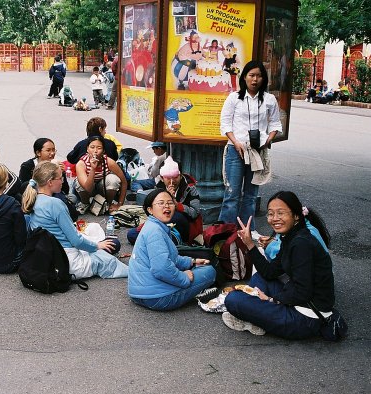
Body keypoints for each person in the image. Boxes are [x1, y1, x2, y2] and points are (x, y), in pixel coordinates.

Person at [222, 191, 335, 339]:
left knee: (233, 300)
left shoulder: (301, 244)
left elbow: (303, 292)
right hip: (300, 302)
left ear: (296, 215)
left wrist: (272, 300)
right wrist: (249, 244)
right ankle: (257, 316)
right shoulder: (292, 236)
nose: (274, 218)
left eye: (281, 213)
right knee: (260, 277)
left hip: (306, 318)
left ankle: (256, 316)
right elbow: (270, 272)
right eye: (270, 214)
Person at [23, 162, 128, 279]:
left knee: (102, 245)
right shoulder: (55, 204)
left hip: (46, 256)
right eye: (60, 178)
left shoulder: (34, 199)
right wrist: (97, 246)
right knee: (110, 255)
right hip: (67, 261)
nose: (62, 181)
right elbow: (76, 241)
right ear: (50, 182)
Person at [218, 60, 282, 230]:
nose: (255, 79)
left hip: (257, 151)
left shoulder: (269, 99)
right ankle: (226, 233)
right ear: (244, 77)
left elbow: (275, 123)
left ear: (263, 79)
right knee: (232, 194)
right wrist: (235, 142)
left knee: (251, 196)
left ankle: (248, 232)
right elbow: (225, 124)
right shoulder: (234, 98)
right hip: (236, 150)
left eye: (258, 76)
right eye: (251, 75)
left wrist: (268, 140)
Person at [128, 188, 215, 311]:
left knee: (197, 267)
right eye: (161, 203)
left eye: (170, 203)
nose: (166, 206)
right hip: (158, 298)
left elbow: (170, 258)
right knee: (209, 271)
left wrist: (192, 262)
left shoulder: (154, 226)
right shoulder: (155, 231)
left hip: (139, 293)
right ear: (150, 210)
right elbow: (161, 269)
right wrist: (184, 277)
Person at [19, 138, 78, 221]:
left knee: (73, 198)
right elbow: (24, 188)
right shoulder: (27, 166)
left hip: (55, 194)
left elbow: (65, 190)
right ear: (38, 153)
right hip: (36, 196)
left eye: (53, 150)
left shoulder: (56, 165)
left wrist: (62, 174)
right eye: (48, 150)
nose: (52, 153)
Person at [74, 136, 127, 214]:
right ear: (87, 149)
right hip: (89, 189)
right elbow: (87, 188)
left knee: (113, 180)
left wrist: (120, 204)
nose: (95, 151)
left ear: (103, 151)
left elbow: (124, 182)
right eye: (92, 147)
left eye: (99, 148)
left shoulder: (109, 162)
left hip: (102, 188)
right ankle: (85, 203)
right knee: (79, 183)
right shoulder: (81, 164)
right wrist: (93, 169)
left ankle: (108, 203)